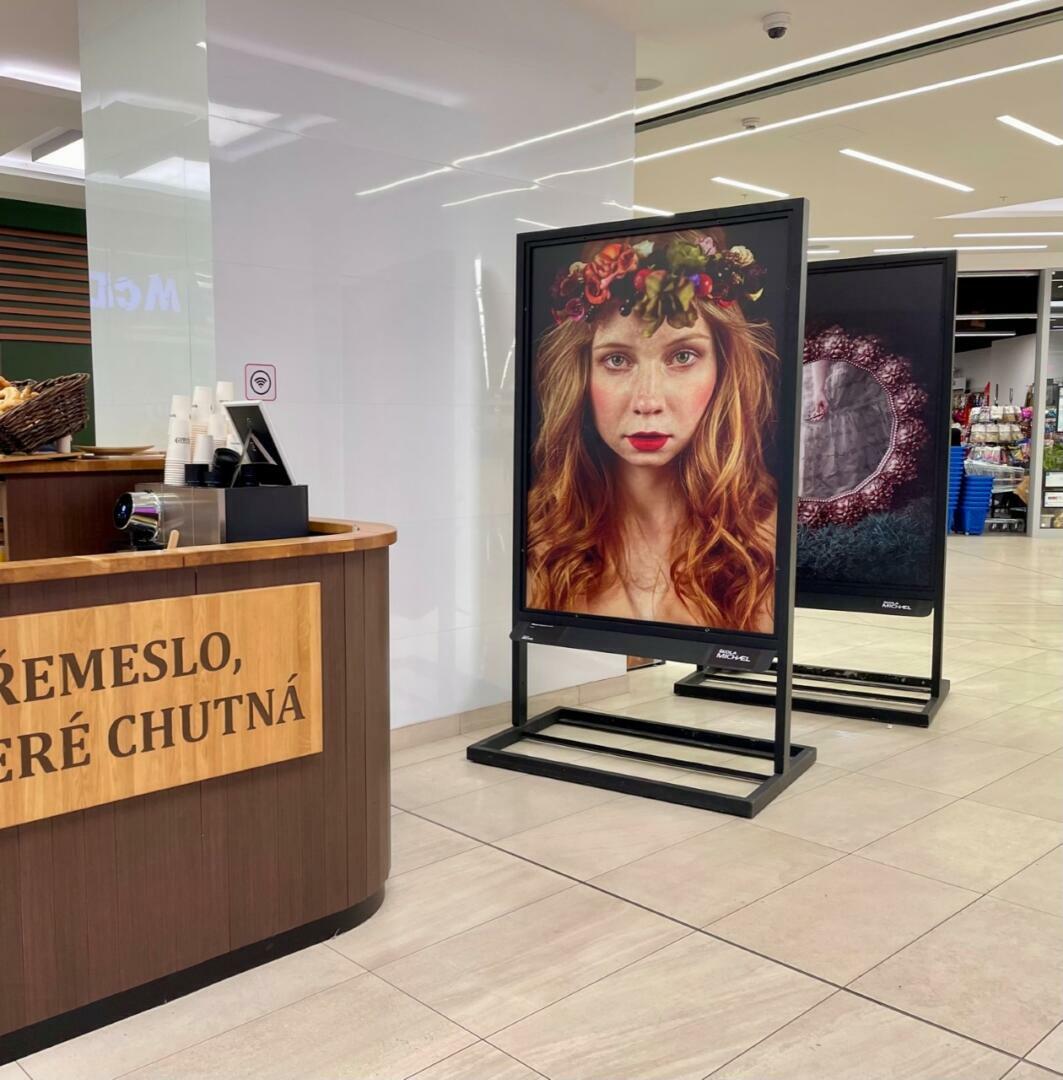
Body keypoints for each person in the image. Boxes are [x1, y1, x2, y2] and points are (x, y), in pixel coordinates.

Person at [526, 229, 778, 633]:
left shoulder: (772, 542)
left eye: (683, 356)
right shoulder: (535, 539)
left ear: (724, 367)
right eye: (617, 360)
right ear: (581, 374)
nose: (647, 401)